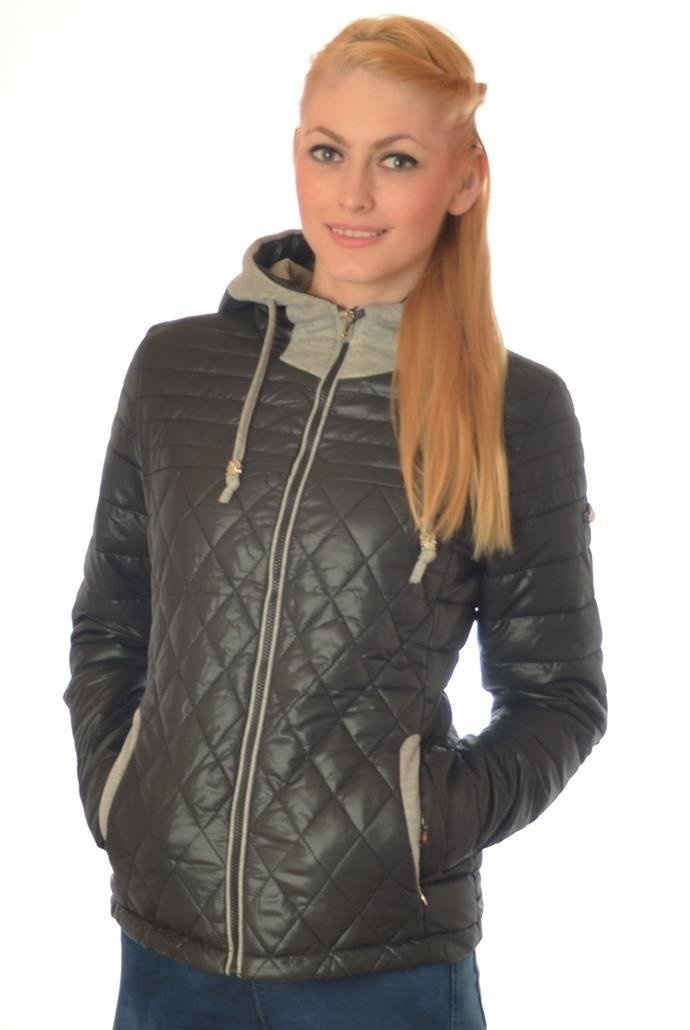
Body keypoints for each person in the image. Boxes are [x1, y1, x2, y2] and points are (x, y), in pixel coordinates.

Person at [64, 14, 607, 1030]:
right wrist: (120, 796)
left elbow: (559, 696)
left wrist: (418, 830)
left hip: (384, 967)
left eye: (396, 160)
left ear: (463, 178)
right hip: (168, 952)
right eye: (327, 152)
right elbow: (112, 620)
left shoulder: (513, 409)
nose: (352, 195)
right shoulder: (176, 367)